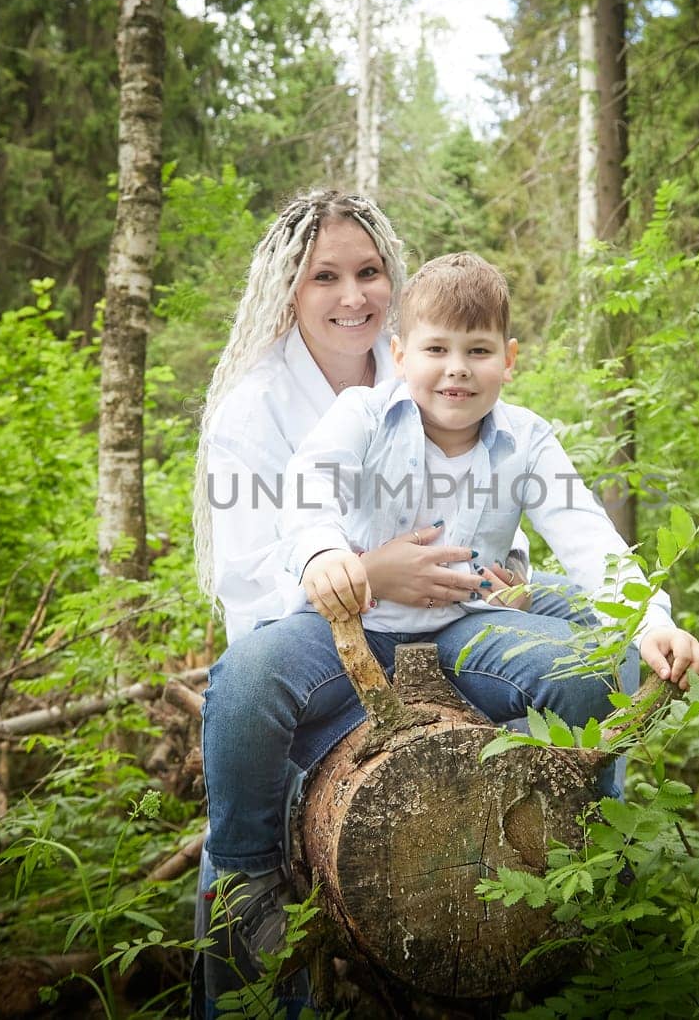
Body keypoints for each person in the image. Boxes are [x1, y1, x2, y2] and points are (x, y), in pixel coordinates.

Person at [196, 246, 699, 1009]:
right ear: (399, 354)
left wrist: (651, 621)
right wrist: (325, 550)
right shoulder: (366, 413)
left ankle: (592, 859)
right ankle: (248, 874)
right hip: (357, 626)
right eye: (435, 349)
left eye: (477, 351)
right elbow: (310, 483)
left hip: (469, 625)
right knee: (243, 681)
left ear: (509, 359)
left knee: (584, 674)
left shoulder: (527, 439)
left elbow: (591, 539)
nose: (455, 370)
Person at [191, 190, 560, 1015]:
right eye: (326, 276)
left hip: (443, 628)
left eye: (368, 272)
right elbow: (249, 581)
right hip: (315, 649)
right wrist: (370, 574)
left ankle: (590, 893)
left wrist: (507, 568)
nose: (351, 295)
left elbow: (479, 496)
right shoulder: (254, 408)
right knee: (248, 740)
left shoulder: (419, 365)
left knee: (571, 646)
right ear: (292, 289)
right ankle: (244, 922)